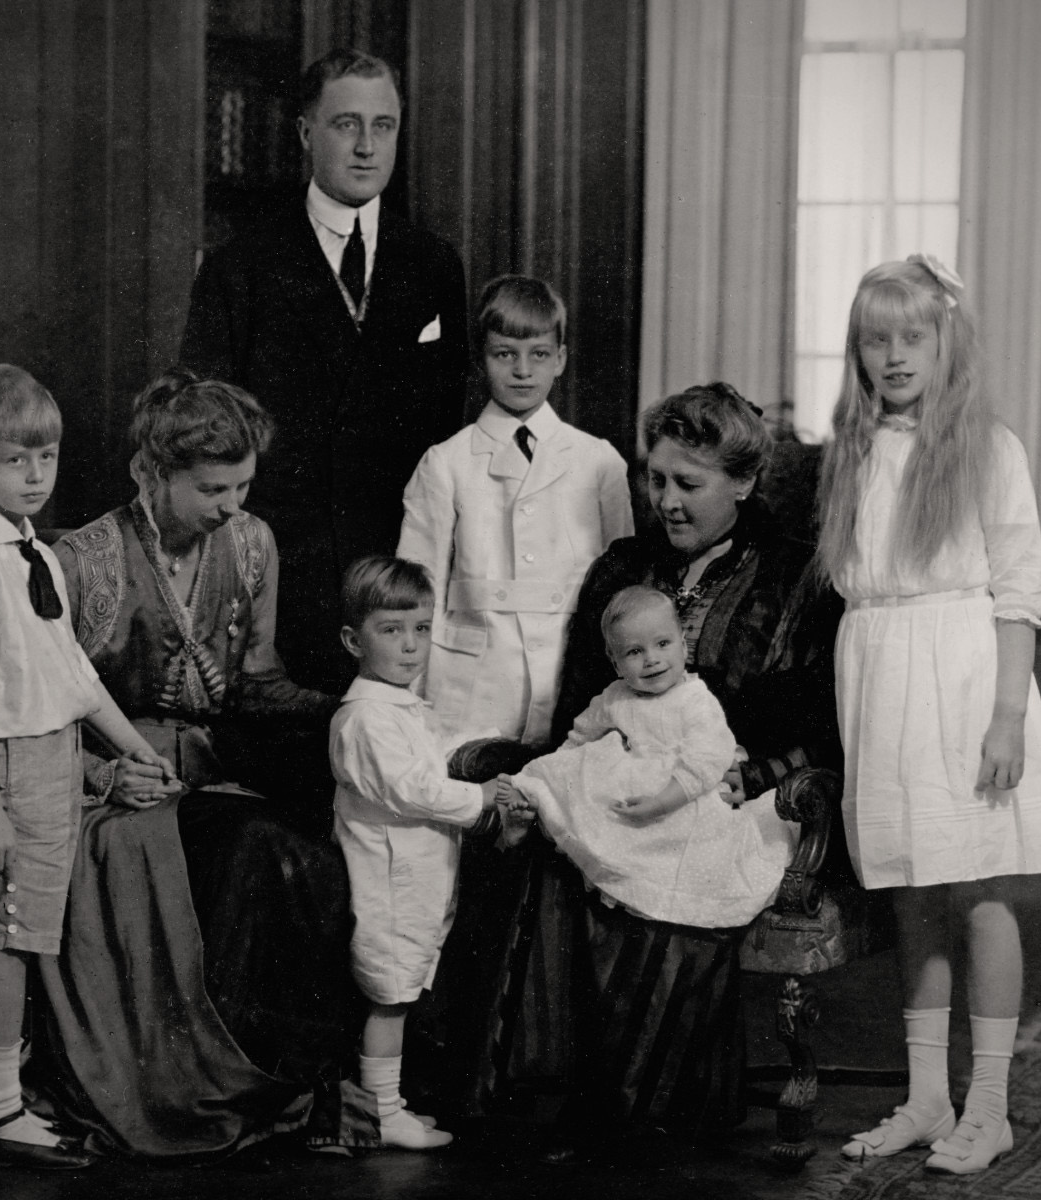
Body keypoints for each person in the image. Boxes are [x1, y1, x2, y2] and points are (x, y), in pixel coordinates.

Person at [26, 368, 377, 1158]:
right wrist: (105, 776)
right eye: (213, 488)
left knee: (315, 864)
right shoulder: (81, 560)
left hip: (216, 780)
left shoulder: (251, 545)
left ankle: (290, 1080)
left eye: (243, 485)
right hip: (112, 799)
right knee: (263, 851)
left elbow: (258, 683)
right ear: (151, 475)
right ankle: (228, 1084)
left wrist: (356, 708)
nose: (232, 507)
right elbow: (37, 722)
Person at [504, 382, 842, 1160]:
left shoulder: (798, 578)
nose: (666, 501)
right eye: (654, 479)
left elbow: (825, 728)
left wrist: (758, 775)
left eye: (688, 484)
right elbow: (583, 705)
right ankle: (558, 1098)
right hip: (625, 780)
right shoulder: (623, 567)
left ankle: (649, 1109)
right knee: (564, 856)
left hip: (739, 792)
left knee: (668, 883)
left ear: (745, 483)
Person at [818, 256, 1041, 1175]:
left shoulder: (988, 447)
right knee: (912, 894)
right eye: (875, 338)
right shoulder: (850, 449)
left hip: (964, 677)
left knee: (978, 890)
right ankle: (929, 1098)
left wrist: (1008, 716)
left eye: (912, 337)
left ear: (945, 343)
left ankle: (991, 1105)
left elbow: (1018, 592)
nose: (893, 356)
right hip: (880, 674)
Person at [0, 364, 178, 1170]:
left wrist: (135, 747)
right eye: (13, 461)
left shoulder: (31, 550)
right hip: (2, 761)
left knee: (16, 928)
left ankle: (10, 1088)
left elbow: (68, 670)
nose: (33, 477)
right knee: (10, 933)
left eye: (47, 459)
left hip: (48, 754)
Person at [181, 48, 469, 691]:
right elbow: (205, 429)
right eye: (346, 125)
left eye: (384, 125)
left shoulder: (435, 264)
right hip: (285, 574)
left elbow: (453, 423)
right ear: (307, 133)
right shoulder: (241, 266)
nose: (367, 146)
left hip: (401, 568)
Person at [397, 275, 633, 746]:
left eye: (539, 354)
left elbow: (622, 590)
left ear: (561, 359)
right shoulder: (446, 462)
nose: (523, 370)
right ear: (481, 359)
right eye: (505, 354)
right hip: (470, 687)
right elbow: (415, 592)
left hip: (570, 681)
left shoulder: (600, 461)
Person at [329, 555, 511, 1150]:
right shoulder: (364, 719)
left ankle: (390, 1105)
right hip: (388, 884)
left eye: (422, 629)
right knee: (390, 1000)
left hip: (418, 878)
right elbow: (413, 790)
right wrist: (479, 797)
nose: (410, 647)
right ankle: (381, 1111)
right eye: (391, 631)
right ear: (354, 641)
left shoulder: (401, 707)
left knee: (404, 994)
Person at [496, 585, 793, 930]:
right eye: (634, 651)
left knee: (671, 847)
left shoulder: (694, 699)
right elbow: (579, 737)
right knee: (580, 765)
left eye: (663, 644)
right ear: (616, 662)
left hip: (682, 796)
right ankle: (530, 803)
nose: (651, 659)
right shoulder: (615, 697)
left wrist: (663, 801)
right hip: (632, 791)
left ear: (683, 644)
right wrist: (556, 776)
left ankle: (652, 890)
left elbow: (706, 760)